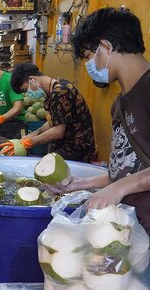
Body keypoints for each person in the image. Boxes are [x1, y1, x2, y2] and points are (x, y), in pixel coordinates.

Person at [48, 7, 150, 234]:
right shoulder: (120, 103)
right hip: (130, 230)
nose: (88, 66)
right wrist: (79, 184)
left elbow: (124, 182)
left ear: (105, 47)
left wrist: (120, 188)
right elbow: (125, 169)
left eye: (88, 57)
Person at [0, 63, 96, 162]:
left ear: (32, 79)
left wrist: (29, 142)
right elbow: (54, 121)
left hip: (76, 148)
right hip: (65, 145)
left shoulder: (60, 93)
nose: (27, 94)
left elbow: (58, 132)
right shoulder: (55, 86)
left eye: (25, 90)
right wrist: (34, 134)